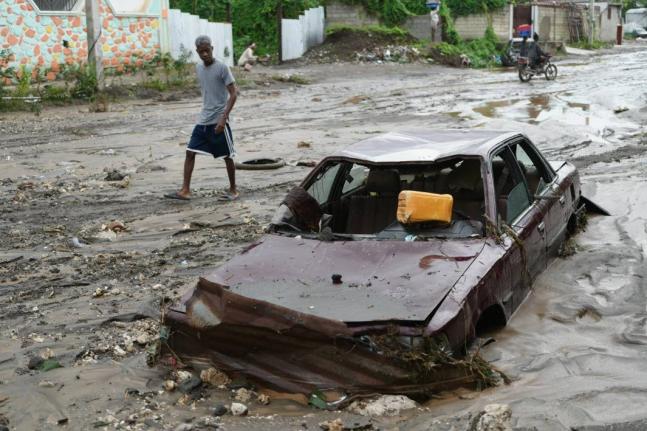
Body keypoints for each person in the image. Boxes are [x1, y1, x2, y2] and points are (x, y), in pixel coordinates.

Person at [165, 35, 239, 201]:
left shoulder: (222, 68)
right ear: (197, 52)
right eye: (201, 51)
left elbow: (234, 94)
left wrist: (223, 118)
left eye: (207, 50)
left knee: (227, 156)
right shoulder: (198, 68)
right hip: (203, 121)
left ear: (212, 49)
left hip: (219, 121)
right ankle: (185, 190)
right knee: (190, 152)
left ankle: (233, 190)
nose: (205, 54)